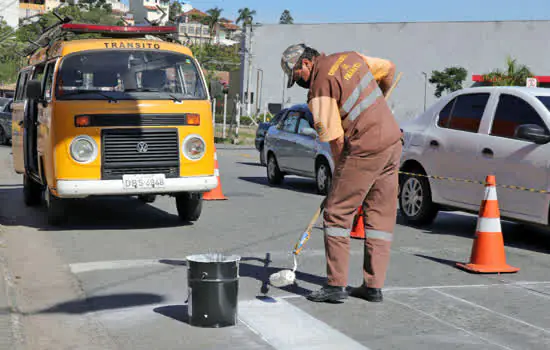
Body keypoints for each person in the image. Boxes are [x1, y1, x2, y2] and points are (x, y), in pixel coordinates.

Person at [280, 43, 402, 303]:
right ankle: (373, 287)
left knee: (336, 213)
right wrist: (379, 101)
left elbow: (336, 141)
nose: (298, 81)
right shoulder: (351, 57)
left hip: (365, 146)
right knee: (379, 217)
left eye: (296, 76)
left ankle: (335, 286)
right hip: (392, 140)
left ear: (305, 64)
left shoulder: (319, 89)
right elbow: (389, 69)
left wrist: (340, 177)